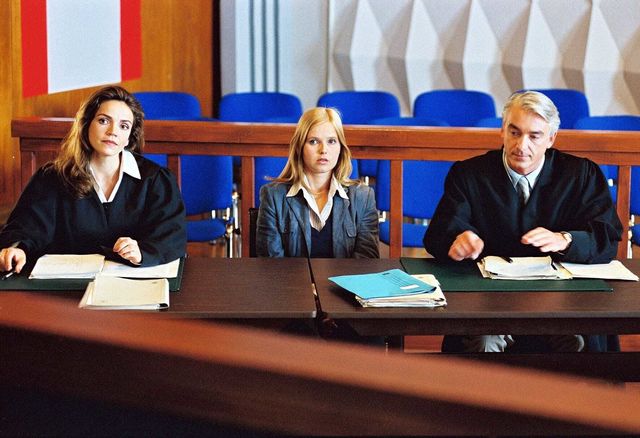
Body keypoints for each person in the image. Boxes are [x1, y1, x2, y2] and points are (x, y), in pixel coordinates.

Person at [423, 90, 622, 353]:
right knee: (481, 343)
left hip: (562, 298)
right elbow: (441, 231)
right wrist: (458, 238)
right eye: (514, 132)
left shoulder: (581, 174)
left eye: (534, 136)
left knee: (578, 342)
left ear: (551, 139)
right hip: (489, 301)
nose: (521, 145)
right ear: (502, 131)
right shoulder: (470, 174)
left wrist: (565, 240)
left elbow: (606, 237)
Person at [0, 85, 186, 273]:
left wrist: (142, 252)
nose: (112, 131)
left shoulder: (155, 179)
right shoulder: (53, 177)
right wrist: (18, 248)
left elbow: (171, 235)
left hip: (131, 281)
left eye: (123, 126)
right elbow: (27, 228)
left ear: (130, 137)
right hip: (67, 283)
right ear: (86, 124)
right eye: (104, 121)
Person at [257, 107, 379, 259]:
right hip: (289, 276)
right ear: (300, 147)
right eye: (313, 141)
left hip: (345, 277)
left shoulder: (363, 197)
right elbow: (271, 264)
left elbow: (366, 263)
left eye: (331, 141)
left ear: (341, 148)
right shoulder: (273, 196)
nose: (323, 150)